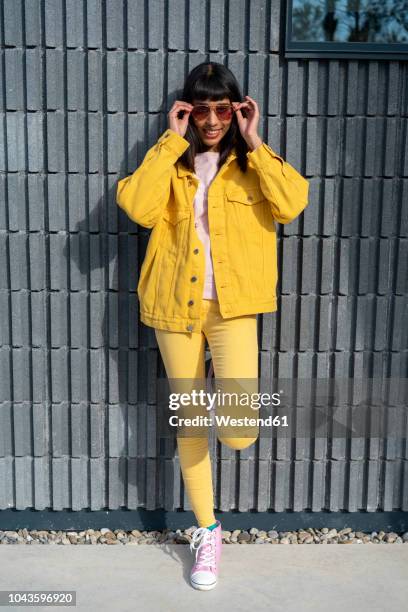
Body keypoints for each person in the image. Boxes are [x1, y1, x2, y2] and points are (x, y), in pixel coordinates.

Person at [116, 62, 309, 591]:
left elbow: (293, 203)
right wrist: (167, 143)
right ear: (188, 111)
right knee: (191, 424)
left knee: (241, 430)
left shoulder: (253, 166)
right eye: (201, 109)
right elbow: (135, 205)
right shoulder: (172, 164)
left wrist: (256, 139)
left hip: (232, 310)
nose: (212, 119)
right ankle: (207, 532)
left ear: (236, 110)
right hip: (175, 310)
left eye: (223, 109)